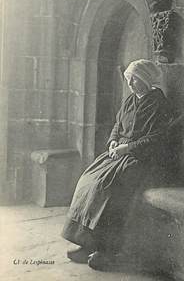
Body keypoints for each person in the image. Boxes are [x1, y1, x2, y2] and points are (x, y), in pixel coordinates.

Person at [62, 59, 174, 270]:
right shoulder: (130, 100)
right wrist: (114, 140)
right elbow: (117, 124)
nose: (131, 83)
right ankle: (85, 242)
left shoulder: (158, 103)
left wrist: (128, 148)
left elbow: (157, 138)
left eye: (135, 79)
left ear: (146, 80)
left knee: (109, 189)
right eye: (129, 78)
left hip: (141, 158)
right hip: (120, 152)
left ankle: (107, 251)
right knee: (89, 180)